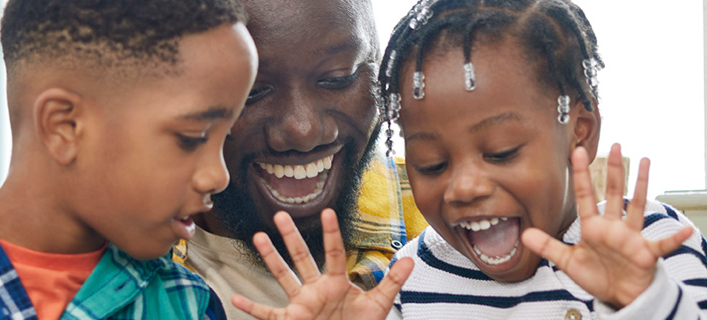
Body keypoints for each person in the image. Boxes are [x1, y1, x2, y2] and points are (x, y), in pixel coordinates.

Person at [229, 0, 707, 319]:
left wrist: (643, 299)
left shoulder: (652, 245)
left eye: (500, 153)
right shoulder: (409, 279)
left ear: (579, 133)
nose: (464, 187)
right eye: (433, 164)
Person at [0, 0, 257, 319]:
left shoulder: (188, 304)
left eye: (224, 138)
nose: (218, 177)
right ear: (65, 126)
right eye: (191, 139)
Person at [172, 0, 427, 318]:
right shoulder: (119, 257)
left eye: (339, 77)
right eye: (252, 90)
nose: (303, 131)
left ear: (382, 63)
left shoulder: (455, 221)